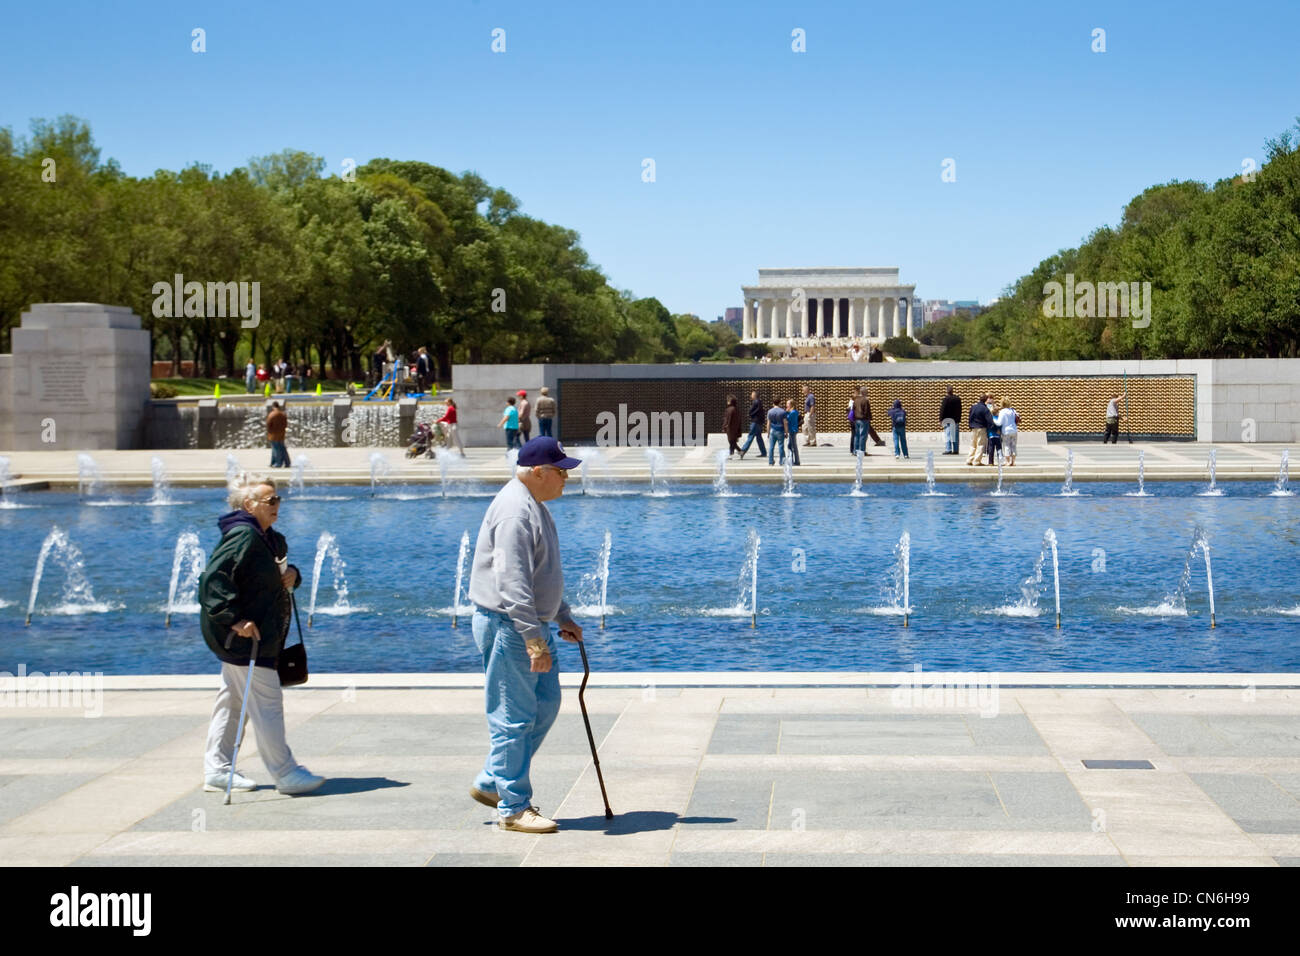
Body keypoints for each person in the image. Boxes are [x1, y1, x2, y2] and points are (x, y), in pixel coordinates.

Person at [467, 437, 584, 833]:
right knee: (513, 719)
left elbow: (540, 575)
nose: (566, 478)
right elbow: (512, 582)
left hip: (529, 624)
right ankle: (513, 807)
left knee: (546, 704)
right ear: (538, 472)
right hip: (511, 627)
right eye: (561, 471)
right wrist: (533, 637)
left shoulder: (535, 505)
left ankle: (491, 781)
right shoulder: (515, 512)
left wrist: (562, 615)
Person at [200, 473, 323, 796]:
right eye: (271, 500)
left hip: (250, 637)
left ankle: (217, 768)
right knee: (267, 702)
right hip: (245, 638)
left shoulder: (266, 537)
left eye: (278, 499)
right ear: (249, 504)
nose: (277, 505)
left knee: (233, 701)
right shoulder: (244, 536)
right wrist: (235, 619)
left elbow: (275, 575)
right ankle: (285, 773)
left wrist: (294, 575)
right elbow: (213, 580)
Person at [737, 391, 766, 460]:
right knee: (759, 438)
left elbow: (751, 411)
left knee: (751, 436)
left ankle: (743, 450)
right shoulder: (759, 402)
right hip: (759, 422)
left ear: (755, 395)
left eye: (752, 395)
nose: (751, 396)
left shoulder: (756, 402)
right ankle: (764, 452)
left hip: (755, 422)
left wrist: (750, 414)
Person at [966, 395, 993, 466]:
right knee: (980, 445)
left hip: (974, 428)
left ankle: (969, 459)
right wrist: (990, 427)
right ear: (986, 400)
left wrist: (970, 426)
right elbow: (989, 420)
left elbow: (970, 416)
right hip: (981, 428)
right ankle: (977, 461)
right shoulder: (985, 408)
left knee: (973, 444)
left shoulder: (973, 407)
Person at [266, 401, 290, 468]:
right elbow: (285, 425)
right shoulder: (283, 414)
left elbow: (268, 425)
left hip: (273, 434)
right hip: (281, 434)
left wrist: (269, 432)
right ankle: (287, 463)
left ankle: (278, 463)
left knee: (276, 449)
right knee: (282, 448)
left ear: (273, 407)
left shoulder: (272, 414)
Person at [939, 386, 962, 455]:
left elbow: (942, 410)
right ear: (953, 390)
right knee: (955, 436)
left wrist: (941, 419)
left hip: (947, 420)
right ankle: (955, 450)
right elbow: (960, 410)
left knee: (948, 435)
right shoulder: (958, 399)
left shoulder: (945, 399)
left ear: (947, 391)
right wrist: (959, 419)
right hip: (956, 420)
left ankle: (948, 449)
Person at [997, 396, 1019, 466]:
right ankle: (1013, 462)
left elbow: (999, 422)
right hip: (1014, 430)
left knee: (1006, 446)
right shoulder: (1013, 410)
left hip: (1006, 431)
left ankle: (1007, 461)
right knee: (1013, 446)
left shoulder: (1002, 412)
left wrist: (993, 420)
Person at [766, 400, 787, 466]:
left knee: (771, 447)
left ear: (773, 403)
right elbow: (785, 423)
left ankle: (771, 461)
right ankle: (782, 461)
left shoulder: (770, 411)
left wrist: (768, 432)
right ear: (780, 403)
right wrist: (786, 432)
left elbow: (768, 423)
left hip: (772, 430)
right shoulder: (783, 411)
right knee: (781, 446)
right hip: (780, 430)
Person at [852, 387, 871, 456]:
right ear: (864, 392)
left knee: (857, 436)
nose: (868, 393)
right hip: (863, 420)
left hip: (856, 420)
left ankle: (855, 451)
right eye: (867, 392)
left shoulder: (856, 400)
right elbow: (867, 411)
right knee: (863, 436)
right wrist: (868, 418)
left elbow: (853, 409)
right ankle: (861, 451)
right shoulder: (865, 400)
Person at [986, 399, 1003, 465]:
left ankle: (990, 462)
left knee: (991, 449)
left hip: (991, 435)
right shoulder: (999, 418)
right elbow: (1000, 425)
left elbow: (989, 426)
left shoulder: (990, 418)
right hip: (998, 436)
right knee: (999, 449)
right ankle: (1000, 461)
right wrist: (999, 431)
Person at [785, 399, 801, 466]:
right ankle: (792, 461)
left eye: (788, 404)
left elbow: (788, 419)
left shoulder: (793, 412)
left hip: (792, 430)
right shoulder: (794, 412)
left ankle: (796, 461)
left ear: (791, 405)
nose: (786, 405)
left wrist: (786, 412)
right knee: (790, 445)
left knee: (793, 446)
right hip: (792, 430)